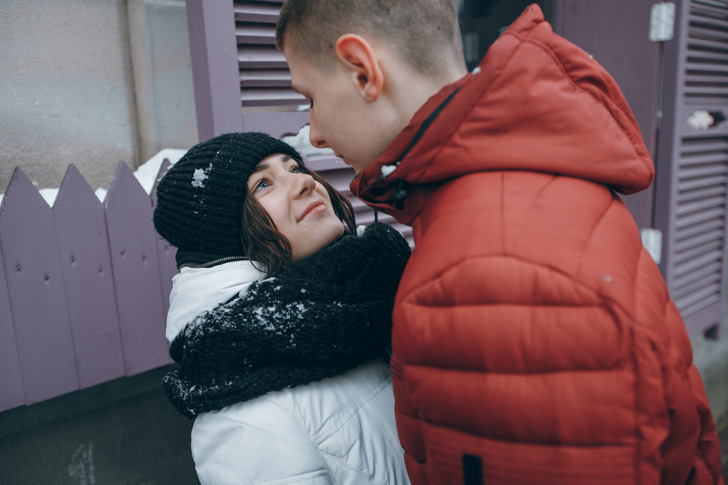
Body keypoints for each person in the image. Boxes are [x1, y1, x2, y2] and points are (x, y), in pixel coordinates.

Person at [276, 2, 724, 484]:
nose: (314, 134)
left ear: (363, 71)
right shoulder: (530, 172)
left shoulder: (483, 274)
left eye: (310, 98)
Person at [152, 132, 412, 485]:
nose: (305, 182)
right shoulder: (245, 416)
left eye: (295, 168)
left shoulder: (365, 303)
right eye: (263, 184)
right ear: (226, 236)